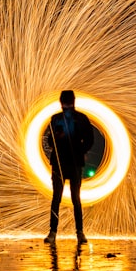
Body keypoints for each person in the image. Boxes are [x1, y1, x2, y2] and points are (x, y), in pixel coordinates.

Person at [42, 90, 94, 244]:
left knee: (74, 199)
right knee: (58, 198)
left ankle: (78, 232)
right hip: (60, 163)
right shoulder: (56, 119)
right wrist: (57, 139)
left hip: (74, 163)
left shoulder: (81, 119)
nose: (67, 105)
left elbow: (89, 139)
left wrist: (80, 151)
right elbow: (50, 141)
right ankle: (54, 232)